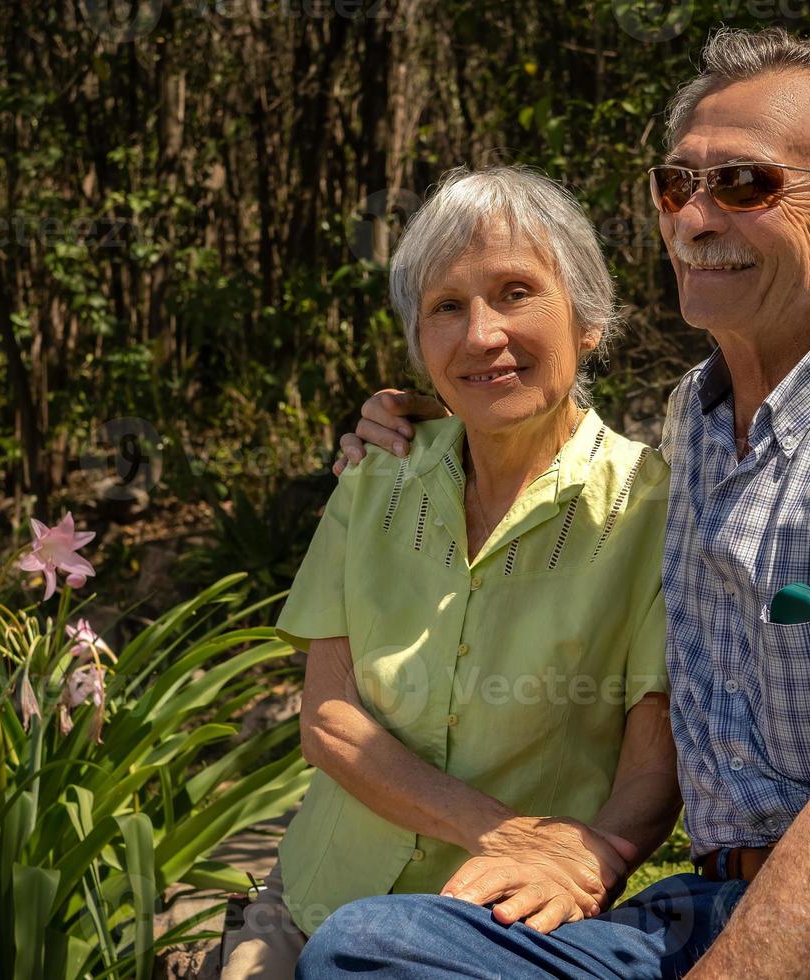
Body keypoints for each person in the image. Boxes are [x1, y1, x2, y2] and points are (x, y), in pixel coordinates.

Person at [303, 26, 810, 980]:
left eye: (748, 185)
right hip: (715, 903)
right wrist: (428, 419)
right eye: (678, 185)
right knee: (368, 949)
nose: (696, 219)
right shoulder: (698, 421)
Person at [218, 165, 682, 979]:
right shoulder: (376, 475)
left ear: (590, 320)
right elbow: (328, 718)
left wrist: (579, 862)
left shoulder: (651, 508)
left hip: (501, 929)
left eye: (515, 292)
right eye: (446, 307)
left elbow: (654, 767)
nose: (480, 335)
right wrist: (498, 828)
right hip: (315, 893)